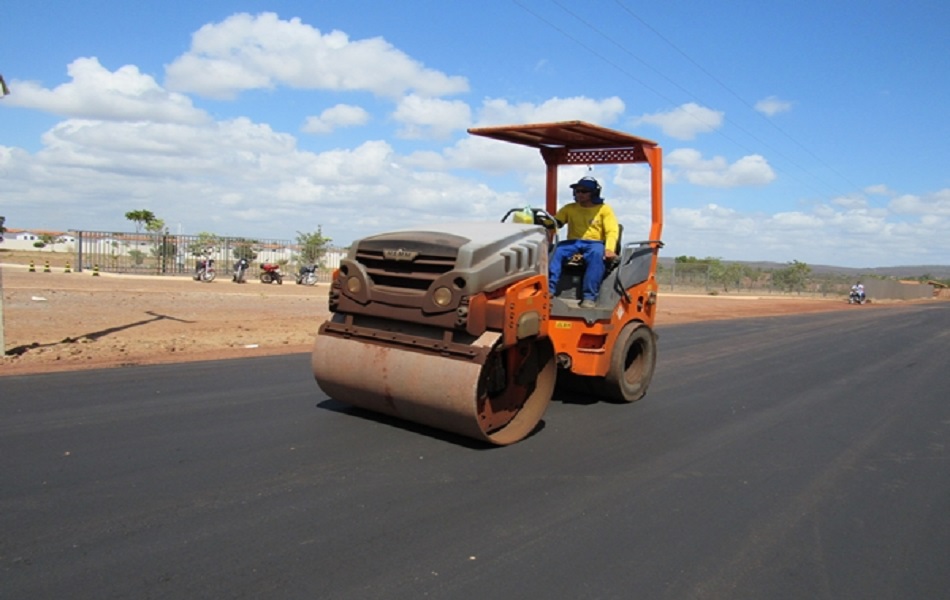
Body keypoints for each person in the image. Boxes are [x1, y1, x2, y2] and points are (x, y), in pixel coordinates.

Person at [548, 176, 620, 308]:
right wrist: (543, 221)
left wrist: (609, 249)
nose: (579, 194)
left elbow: (612, 231)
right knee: (555, 251)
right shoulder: (569, 208)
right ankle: (549, 290)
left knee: (596, 255)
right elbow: (556, 222)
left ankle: (589, 297)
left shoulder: (604, 209)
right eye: (577, 191)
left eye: (584, 191)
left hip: (594, 243)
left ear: (593, 193)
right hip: (573, 243)